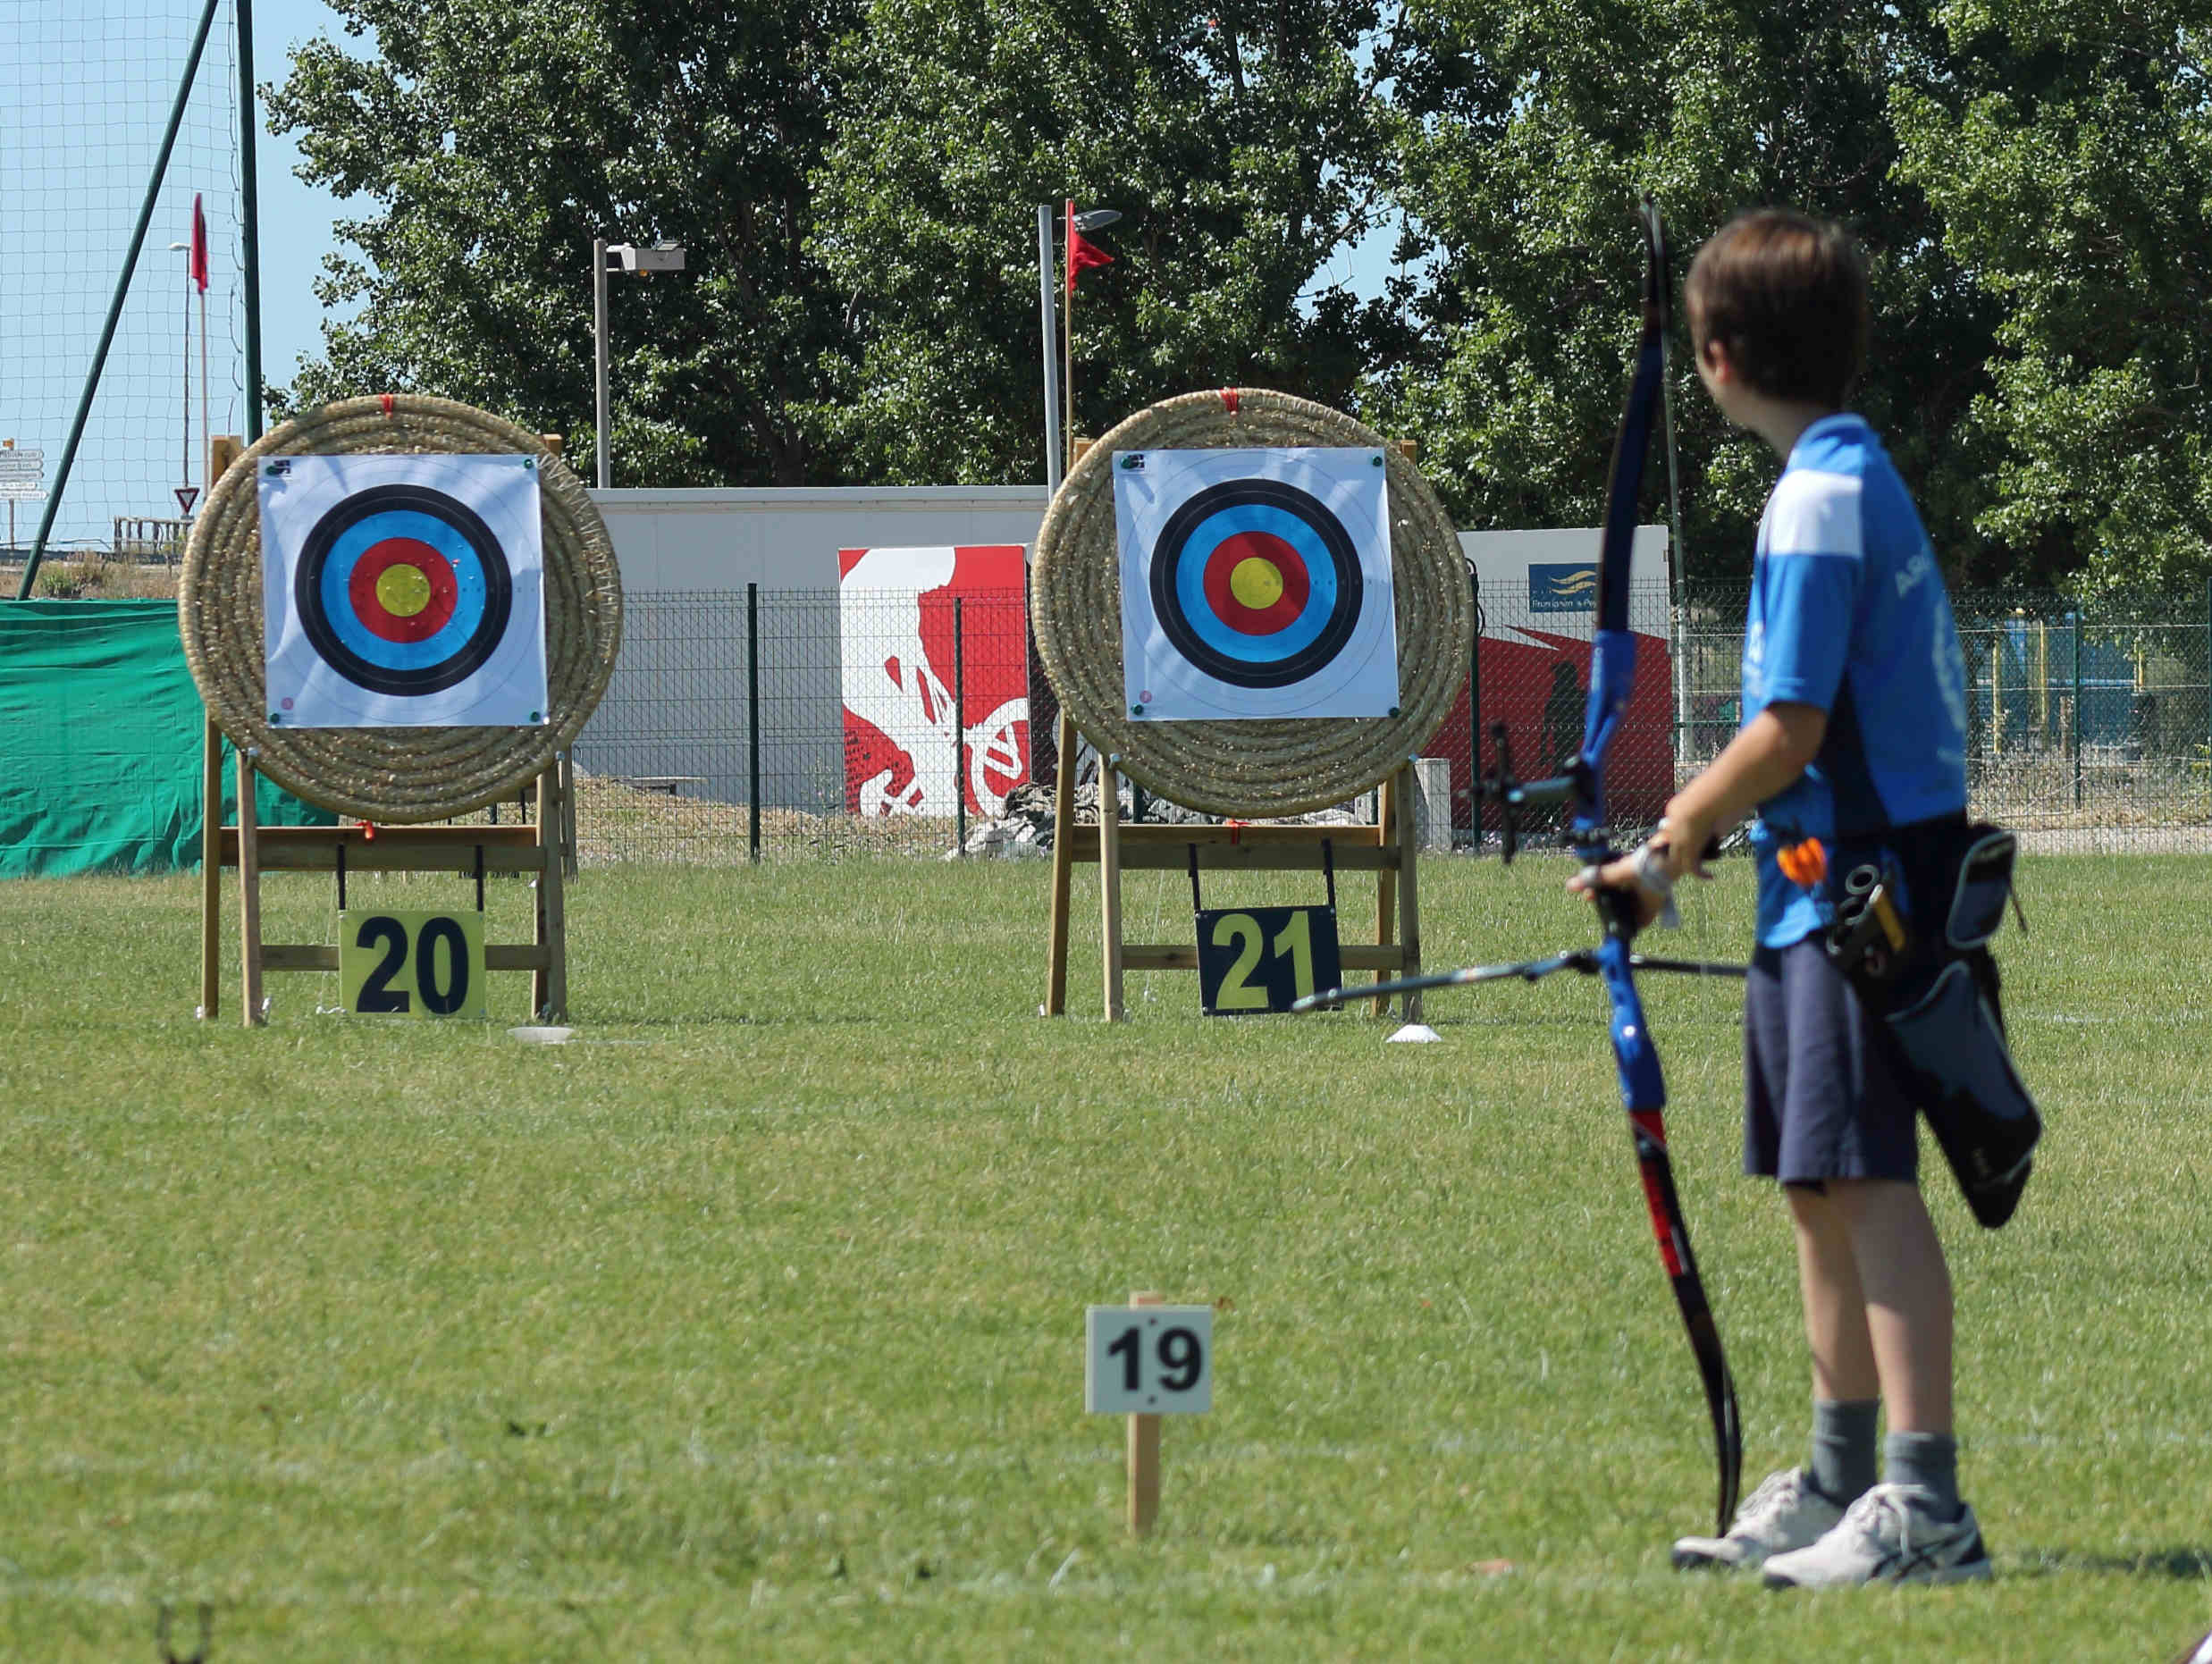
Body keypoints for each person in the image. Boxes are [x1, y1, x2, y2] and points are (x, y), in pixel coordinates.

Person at [1572, 208, 1991, 1588]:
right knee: (1819, 1181)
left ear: (1717, 357)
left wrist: (1666, 845)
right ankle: (1836, 1479)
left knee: (1866, 1180)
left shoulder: (1820, 496)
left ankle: (1924, 1506)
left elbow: (1790, 726)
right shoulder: (1844, 471)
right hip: (1822, 887)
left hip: (1858, 888)